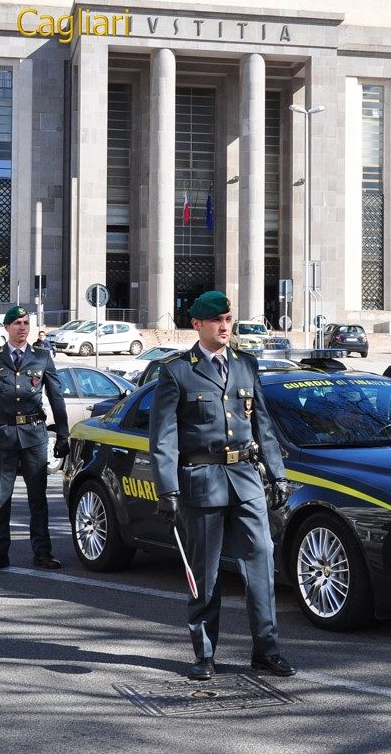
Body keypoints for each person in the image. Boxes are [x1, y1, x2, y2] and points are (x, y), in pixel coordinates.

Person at [150, 290, 296, 681]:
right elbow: (163, 437)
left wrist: (278, 473)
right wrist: (167, 490)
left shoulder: (246, 364)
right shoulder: (177, 371)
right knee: (206, 573)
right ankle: (204, 654)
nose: (225, 326)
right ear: (197, 324)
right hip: (202, 481)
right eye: (217, 320)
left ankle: (266, 650)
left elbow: (263, 425)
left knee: (261, 564)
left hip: (245, 479)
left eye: (228, 319)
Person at [0, 306, 70, 572]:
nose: (22, 327)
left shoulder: (42, 357)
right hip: (3, 436)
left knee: (38, 499)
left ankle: (43, 553)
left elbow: (57, 397)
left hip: (34, 435)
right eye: (17, 323)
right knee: (2, 499)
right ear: (6, 328)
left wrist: (63, 434)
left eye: (25, 323)